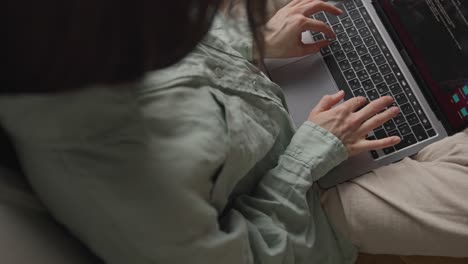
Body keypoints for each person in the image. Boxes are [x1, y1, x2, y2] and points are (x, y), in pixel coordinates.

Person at [2, 0, 467, 263]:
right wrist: (312, 154)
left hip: (261, 92)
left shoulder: (63, 50)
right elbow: (253, 256)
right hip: (297, 203)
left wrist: (249, 41)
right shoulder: (122, 184)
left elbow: (187, 51)